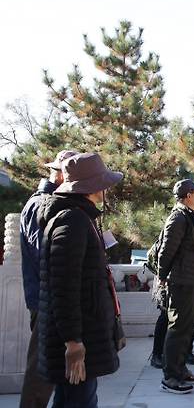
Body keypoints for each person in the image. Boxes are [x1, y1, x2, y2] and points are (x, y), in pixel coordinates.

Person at [37, 152, 123, 406]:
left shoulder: (79, 216)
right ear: (92, 186)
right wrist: (73, 342)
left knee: (70, 399)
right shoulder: (71, 220)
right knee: (78, 400)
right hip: (78, 336)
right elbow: (64, 287)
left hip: (87, 330)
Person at [19, 150, 77, 408]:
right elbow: (45, 255)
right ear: (62, 175)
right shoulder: (39, 204)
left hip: (56, 300)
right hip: (47, 302)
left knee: (63, 375)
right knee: (41, 376)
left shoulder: (57, 204)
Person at [157, 179, 194, 394]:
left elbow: (190, 252)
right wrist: (163, 277)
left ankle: (180, 369)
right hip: (181, 282)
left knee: (186, 328)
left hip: (192, 282)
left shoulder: (190, 218)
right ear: (189, 195)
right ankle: (170, 376)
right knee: (178, 328)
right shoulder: (178, 218)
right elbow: (166, 251)